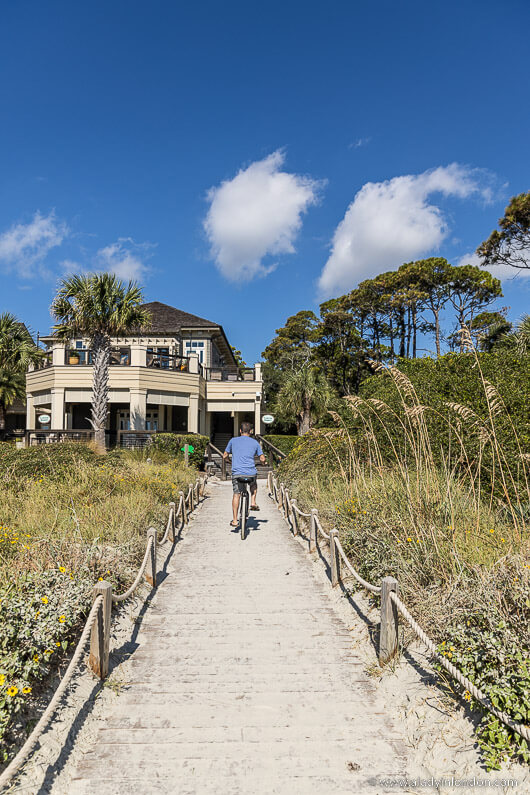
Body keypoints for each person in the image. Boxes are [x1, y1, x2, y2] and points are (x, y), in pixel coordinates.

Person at [223, 422, 266, 527]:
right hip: (250, 473)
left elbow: (224, 456)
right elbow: (262, 458)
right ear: (250, 431)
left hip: (237, 473)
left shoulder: (233, 441)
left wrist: (229, 461)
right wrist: (263, 463)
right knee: (253, 483)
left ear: (240, 431)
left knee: (236, 494)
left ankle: (234, 520)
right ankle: (253, 502)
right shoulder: (255, 443)